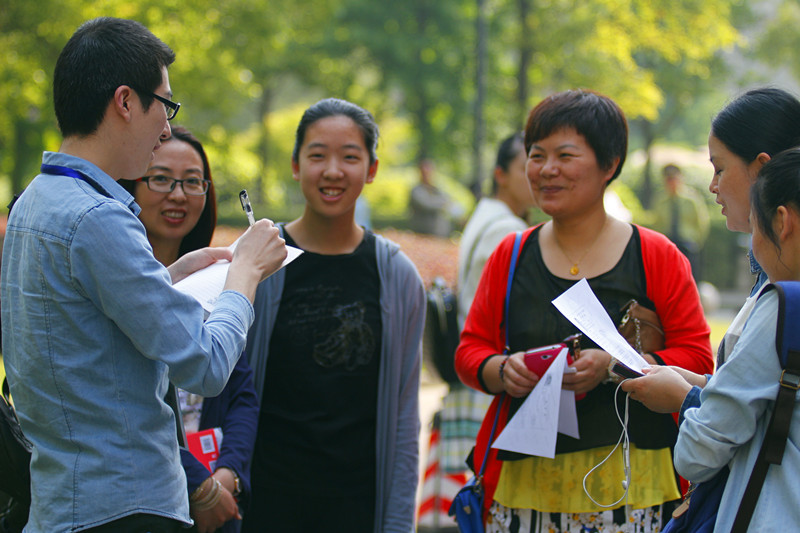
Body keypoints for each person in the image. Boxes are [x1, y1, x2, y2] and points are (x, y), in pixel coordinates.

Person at [0, 18, 287, 533]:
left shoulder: (35, 202)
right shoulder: (98, 217)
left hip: (61, 503)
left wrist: (169, 278)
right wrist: (245, 272)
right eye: (165, 106)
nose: (167, 129)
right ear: (126, 101)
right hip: (123, 505)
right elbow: (205, 365)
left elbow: (80, 329)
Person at [454, 89, 714, 533]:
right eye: (537, 155)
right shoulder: (511, 255)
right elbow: (470, 351)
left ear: (609, 164)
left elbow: (697, 359)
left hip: (634, 487)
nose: (546, 169)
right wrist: (504, 369)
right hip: (524, 486)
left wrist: (614, 366)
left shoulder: (656, 255)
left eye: (565, 155)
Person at [241, 98, 425, 533]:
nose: (333, 171)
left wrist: (398, 521)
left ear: (372, 169)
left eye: (350, 157)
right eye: (318, 155)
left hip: (358, 506)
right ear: (295, 165)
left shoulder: (396, 275)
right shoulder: (259, 265)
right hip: (266, 503)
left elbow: (404, 416)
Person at [622, 87, 800, 414]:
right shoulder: (770, 273)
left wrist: (685, 398)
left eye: (720, 169)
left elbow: (758, 422)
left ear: (760, 169)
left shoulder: (786, 290)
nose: (713, 186)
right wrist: (699, 385)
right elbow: (757, 393)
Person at [120, 126, 257, 533]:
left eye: (192, 181)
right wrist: (200, 485)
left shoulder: (216, 277)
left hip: (218, 498)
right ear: (132, 184)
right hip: (143, 500)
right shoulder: (115, 280)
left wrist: (227, 476)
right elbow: (126, 405)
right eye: (161, 178)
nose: (178, 195)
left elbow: (241, 391)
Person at [672, 147, 800, 531]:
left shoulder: (783, 308)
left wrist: (686, 398)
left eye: (755, 227)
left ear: (781, 222)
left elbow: (697, 454)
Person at [440, 132, 536, 473]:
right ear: (500, 175)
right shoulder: (506, 229)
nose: (537, 175)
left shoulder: (487, 216)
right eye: (526, 166)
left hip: (478, 364)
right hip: (492, 368)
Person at [650, 164, 710, 280]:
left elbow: (701, 222)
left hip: (688, 243)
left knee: (689, 277)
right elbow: (656, 224)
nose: (671, 182)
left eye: (674, 178)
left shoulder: (692, 199)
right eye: (668, 179)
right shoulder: (660, 200)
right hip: (668, 243)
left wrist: (696, 242)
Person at [408, 158, 455, 237]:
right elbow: (426, 204)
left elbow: (449, 201)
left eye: (429, 171)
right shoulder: (416, 191)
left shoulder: (437, 190)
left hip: (440, 234)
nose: (427, 175)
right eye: (424, 172)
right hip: (423, 234)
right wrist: (443, 203)